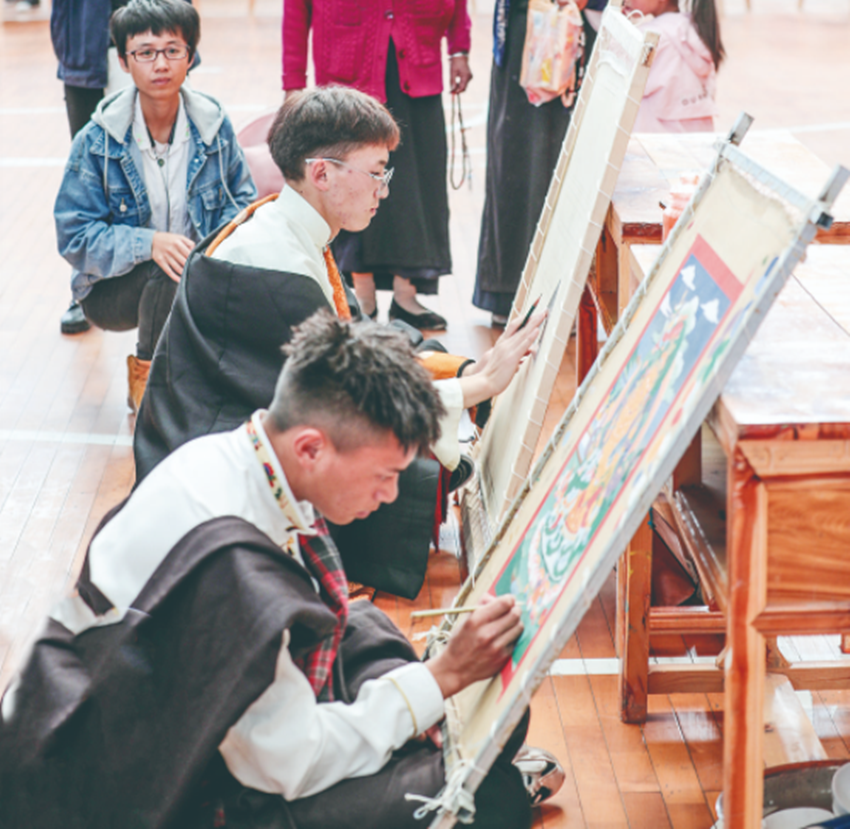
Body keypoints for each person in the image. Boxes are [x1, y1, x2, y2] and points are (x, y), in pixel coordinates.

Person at [0, 313, 562, 829]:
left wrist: (433, 686)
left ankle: (445, 754)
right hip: (150, 788)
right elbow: (289, 763)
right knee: (489, 800)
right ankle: (468, 770)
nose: (391, 495)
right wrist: (441, 678)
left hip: (166, 715)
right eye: (385, 475)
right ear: (312, 448)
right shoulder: (227, 561)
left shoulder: (231, 456)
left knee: (378, 636)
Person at [134, 86, 545, 598]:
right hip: (215, 491)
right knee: (397, 471)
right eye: (376, 173)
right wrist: (478, 387)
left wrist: (464, 372)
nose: (383, 191)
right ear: (322, 174)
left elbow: (355, 337)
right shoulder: (272, 262)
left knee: (426, 387)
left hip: (233, 438)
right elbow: (340, 398)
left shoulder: (285, 224)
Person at [53, 0, 256, 411]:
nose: (160, 64)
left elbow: (243, 206)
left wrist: (209, 256)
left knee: (188, 267)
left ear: (190, 57)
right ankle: (150, 386)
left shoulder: (214, 127)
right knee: (167, 265)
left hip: (196, 276)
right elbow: (74, 235)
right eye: (145, 52)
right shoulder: (97, 140)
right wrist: (148, 244)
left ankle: (199, 376)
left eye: (172, 50)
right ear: (124, 62)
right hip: (110, 291)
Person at [282, 0, 473, 331]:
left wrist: (459, 49)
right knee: (352, 180)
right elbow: (296, 8)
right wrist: (293, 80)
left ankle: (406, 294)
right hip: (348, 67)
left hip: (415, 61)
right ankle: (362, 295)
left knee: (416, 186)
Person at [472, 0, 606, 326]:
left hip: (575, 34)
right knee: (515, 165)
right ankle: (509, 294)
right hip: (526, 37)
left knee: (572, 165)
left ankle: (567, 300)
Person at [626, 0, 724, 132]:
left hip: (651, 141)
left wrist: (616, 23)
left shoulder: (650, 38)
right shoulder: (695, 29)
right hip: (697, 140)